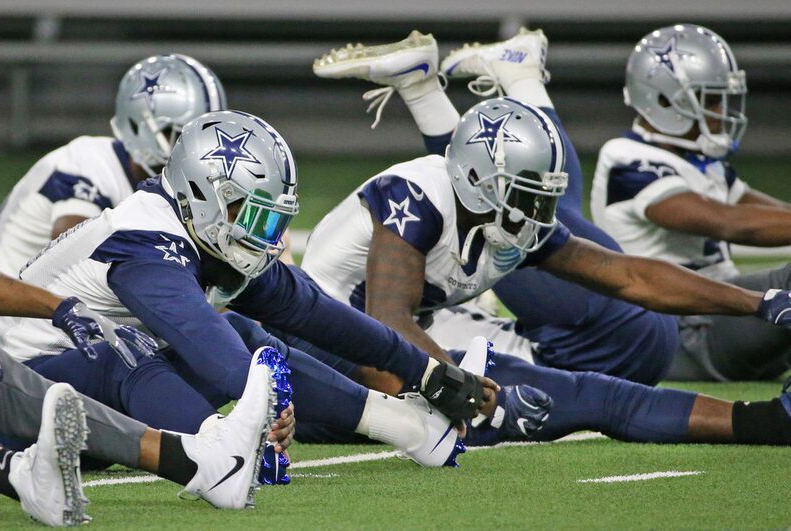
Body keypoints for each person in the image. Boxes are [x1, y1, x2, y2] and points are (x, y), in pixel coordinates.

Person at [298, 36, 791, 447]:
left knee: (594, 395)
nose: (537, 212)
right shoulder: (414, 195)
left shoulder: (504, 213)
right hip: (321, 349)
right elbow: (385, 323)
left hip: (397, 347)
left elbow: (630, 276)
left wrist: (759, 302)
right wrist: (473, 394)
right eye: (526, 195)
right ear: (477, 179)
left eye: (542, 196)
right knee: (490, 420)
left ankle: (769, 422)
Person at [0, 110, 500, 468]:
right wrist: (265, 399)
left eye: (273, 219)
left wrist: (429, 372)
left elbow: (316, 313)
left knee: (243, 336)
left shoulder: (197, 230)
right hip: (17, 398)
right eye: (251, 213)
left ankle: (409, 427)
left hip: (95, 393)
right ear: (203, 195)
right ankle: (218, 458)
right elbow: (219, 359)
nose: (264, 234)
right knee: (148, 351)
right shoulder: (144, 242)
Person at [312, 29, 679, 386]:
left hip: (562, 343)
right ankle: (489, 81)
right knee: (518, 194)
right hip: (563, 349)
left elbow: (390, 323)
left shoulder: (338, 293)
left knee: (511, 194)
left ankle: (466, 83)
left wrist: (461, 391)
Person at [0, 258, 294, 523]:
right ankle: (211, 453)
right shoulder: (138, 229)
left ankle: (210, 462)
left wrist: (62, 308)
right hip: (1, 407)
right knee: (120, 359)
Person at [591, 23, 791, 381]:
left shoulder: (697, 159)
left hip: (723, 313)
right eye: (710, 98)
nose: (720, 110)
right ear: (666, 100)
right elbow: (730, 223)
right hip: (682, 328)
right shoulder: (626, 159)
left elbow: (768, 213)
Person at [0, 54, 226, 277]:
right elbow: (75, 265)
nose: (199, 153)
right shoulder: (86, 162)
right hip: (15, 316)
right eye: (180, 137)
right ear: (138, 125)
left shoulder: (168, 185)